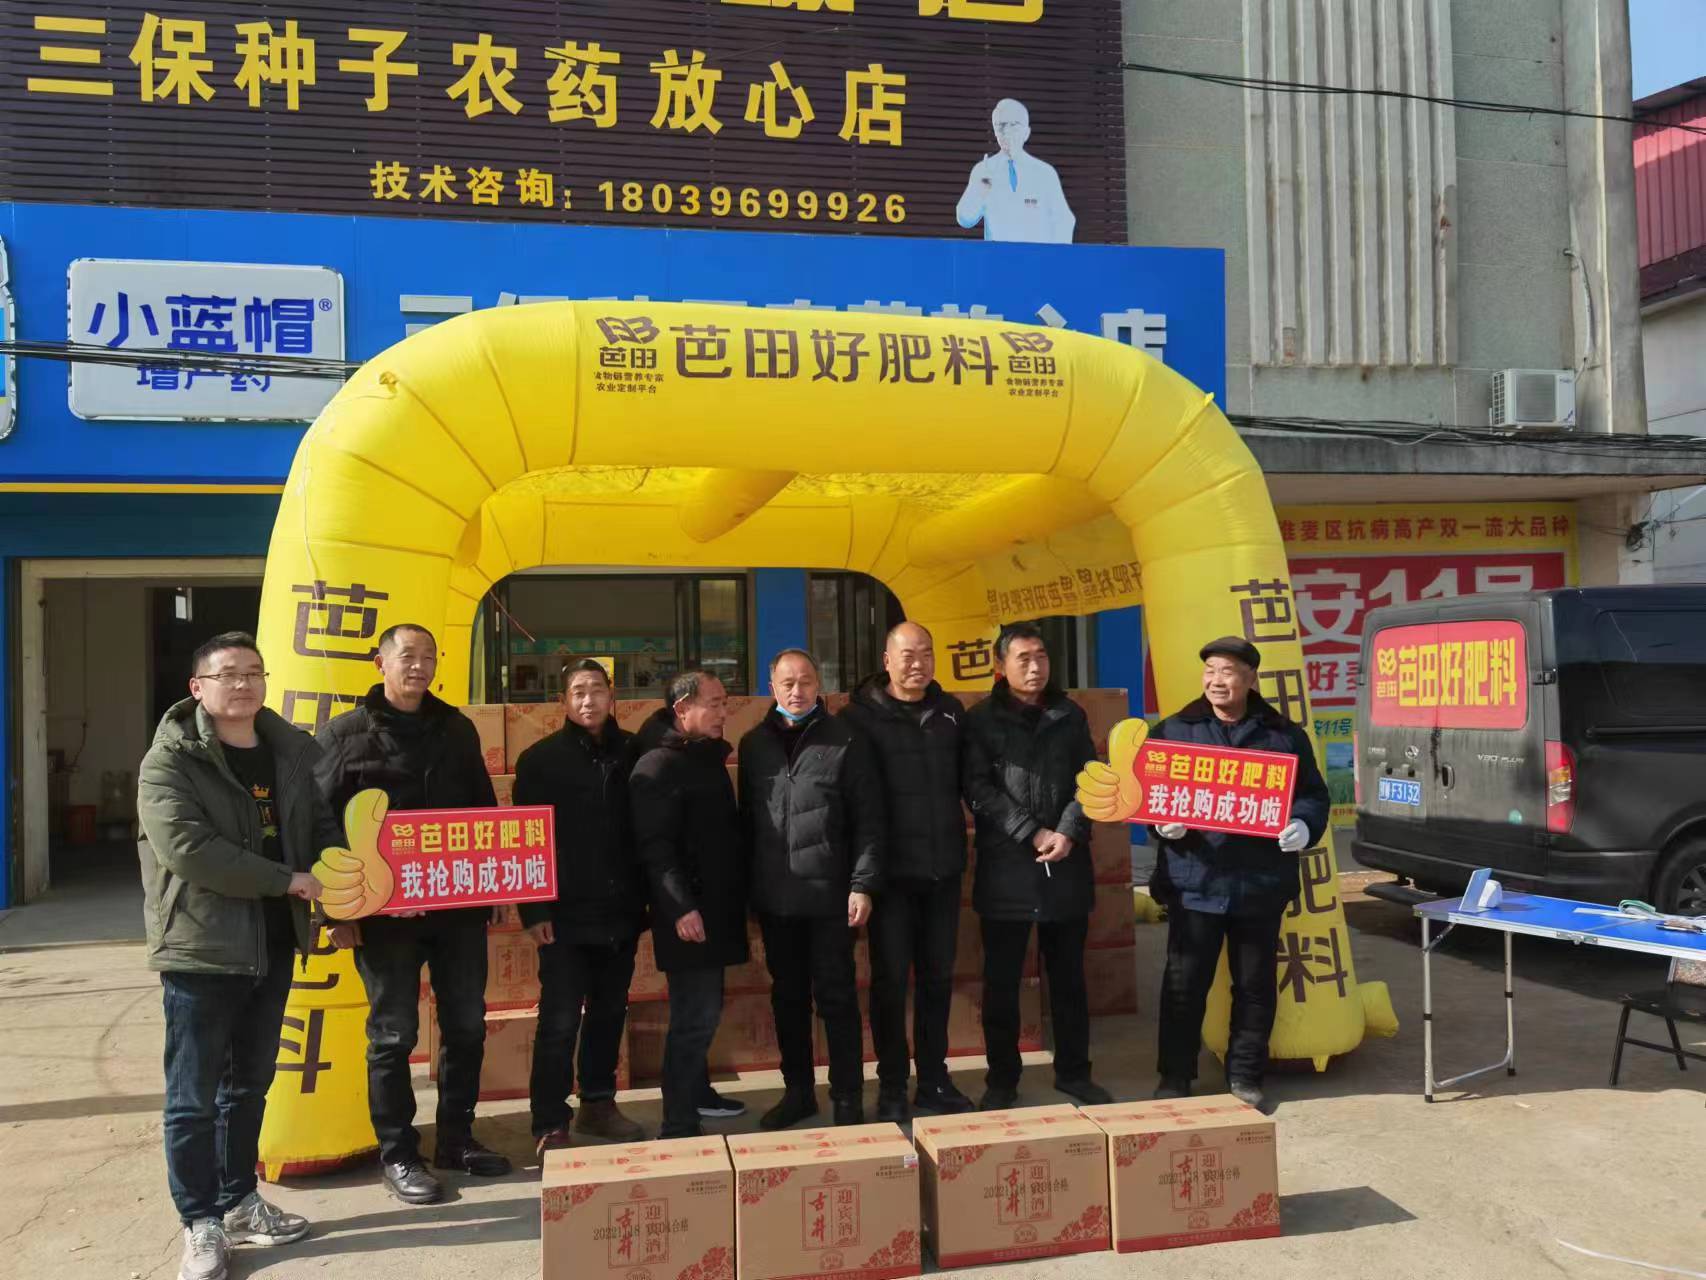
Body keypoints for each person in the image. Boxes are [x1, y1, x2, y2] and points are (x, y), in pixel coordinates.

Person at [137, 631, 332, 1280]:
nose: (243, 684)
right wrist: (288, 881)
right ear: (198, 688)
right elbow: (190, 851)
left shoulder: (290, 752)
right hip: (202, 948)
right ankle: (200, 1223)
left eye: (254, 672)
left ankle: (240, 1199)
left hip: (273, 944)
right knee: (192, 1097)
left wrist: (345, 881)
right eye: (227, 674)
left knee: (248, 1086)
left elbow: (319, 831)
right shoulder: (170, 761)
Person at [316, 623, 509, 1205]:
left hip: (456, 909)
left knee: (466, 1024)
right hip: (382, 916)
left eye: (428, 656)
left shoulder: (457, 728)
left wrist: (494, 886)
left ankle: (456, 1139)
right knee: (393, 1034)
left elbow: (482, 811)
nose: (418, 666)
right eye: (407, 656)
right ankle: (399, 1154)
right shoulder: (344, 734)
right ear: (381, 663)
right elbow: (318, 825)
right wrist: (336, 912)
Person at [1148, 637, 1330, 1110]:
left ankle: (1246, 1075)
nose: (1216, 680)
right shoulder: (1175, 730)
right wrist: (1161, 822)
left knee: (1254, 986)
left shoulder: (1283, 735)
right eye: (1210, 670)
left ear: (1250, 679)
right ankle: (1175, 1075)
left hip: (1259, 883)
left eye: (1227, 671)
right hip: (1195, 881)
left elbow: (1313, 794)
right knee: (1184, 984)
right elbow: (1148, 790)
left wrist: (1303, 824)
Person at [962, 622, 1111, 1111]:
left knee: (1068, 978)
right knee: (1002, 983)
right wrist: (1031, 831)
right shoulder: (981, 720)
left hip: (1065, 865)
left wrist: (1067, 831)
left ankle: (1074, 1073)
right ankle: (1002, 1079)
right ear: (1000, 666)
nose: (1034, 667)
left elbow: (1090, 778)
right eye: (1023, 658)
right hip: (1007, 867)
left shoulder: (1070, 715)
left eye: (1041, 656)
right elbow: (978, 788)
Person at [742, 649, 884, 1130]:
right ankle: (798, 1092)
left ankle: (847, 1095)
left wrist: (862, 884)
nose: (797, 691)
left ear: (819, 684)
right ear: (772, 686)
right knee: (787, 999)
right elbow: (747, 823)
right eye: (787, 683)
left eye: (805, 681)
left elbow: (869, 821)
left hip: (830, 897)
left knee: (837, 997)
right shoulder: (754, 744)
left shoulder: (846, 740)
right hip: (776, 899)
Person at [840, 622, 975, 1123]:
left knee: (938, 979)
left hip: (942, 871)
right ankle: (893, 1084)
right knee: (891, 982)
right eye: (907, 654)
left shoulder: (951, 713)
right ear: (886, 660)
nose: (918, 664)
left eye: (926, 653)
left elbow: (973, 782)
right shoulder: (858, 718)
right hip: (890, 878)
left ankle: (934, 1078)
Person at [514, 659, 648, 1154]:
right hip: (563, 917)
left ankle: (598, 1103)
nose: (588, 700)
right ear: (563, 702)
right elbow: (526, 840)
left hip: (621, 910)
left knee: (610, 1012)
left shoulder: (634, 751)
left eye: (596, 690)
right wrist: (534, 910)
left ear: (613, 696)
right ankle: (549, 1120)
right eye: (578, 692)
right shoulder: (540, 760)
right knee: (559, 1020)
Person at [630, 671, 751, 1139]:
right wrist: (680, 908)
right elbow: (655, 848)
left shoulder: (703, 756)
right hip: (687, 913)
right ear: (682, 709)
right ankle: (677, 1121)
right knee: (693, 1017)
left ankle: (698, 1093)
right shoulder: (657, 766)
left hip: (715, 906)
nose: (723, 712)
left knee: (706, 1010)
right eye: (714, 704)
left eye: (724, 702)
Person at [955, 98, 1076, 244]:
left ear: (1026, 132)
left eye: (1014, 125)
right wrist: (980, 190)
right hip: (998, 256)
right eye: (1000, 125)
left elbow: (1064, 221)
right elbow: (965, 218)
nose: (1006, 131)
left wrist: (1052, 256)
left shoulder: (1045, 173)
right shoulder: (984, 169)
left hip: (1036, 256)